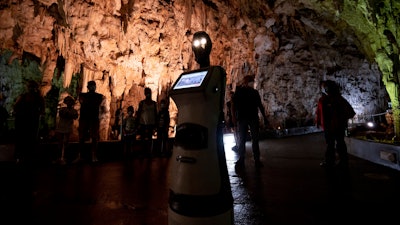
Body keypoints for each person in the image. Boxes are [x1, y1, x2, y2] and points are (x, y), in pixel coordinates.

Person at [315, 80, 355, 170]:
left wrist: (340, 119)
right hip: (332, 126)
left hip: (335, 126)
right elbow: (319, 112)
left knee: (336, 144)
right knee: (333, 144)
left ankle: (338, 161)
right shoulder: (325, 100)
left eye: (324, 87)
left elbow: (350, 112)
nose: (323, 89)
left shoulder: (335, 99)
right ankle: (335, 161)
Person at [232, 75, 268, 169]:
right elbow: (234, 105)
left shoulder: (254, 92)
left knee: (253, 139)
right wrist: (234, 119)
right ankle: (243, 159)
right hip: (245, 118)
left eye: (252, 81)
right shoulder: (239, 92)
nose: (252, 83)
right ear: (246, 82)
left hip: (251, 118)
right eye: (251, 81)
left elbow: (260, 105)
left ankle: (255, 159)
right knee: (243, 139)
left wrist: (265, 118)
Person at [13, 80, 45, 164]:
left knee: (29, 138)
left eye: (31, 87)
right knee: (24, 138)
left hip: (30, 120)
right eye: (30, 87)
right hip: (24, 120)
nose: (30, 89)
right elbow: (16, 107)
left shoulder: (37, 98)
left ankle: (26, 156)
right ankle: (23, 156)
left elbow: (42, 109)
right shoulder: (24, 97)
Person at [74, 80, 105, 163]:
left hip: (93, 118)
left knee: (94, 137)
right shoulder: (83, 95)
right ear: (88, 87)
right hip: (85, 118)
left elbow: (87, 103)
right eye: (91, 86)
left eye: (93, 86)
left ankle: (93, 155)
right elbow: (83, 102)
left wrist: (87, 103)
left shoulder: (99, 96)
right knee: (82, 137)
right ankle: (80, 155)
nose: (92, 87)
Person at [54, 95, 78, 165]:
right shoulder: (63, 109)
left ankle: (65, 157)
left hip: (67, 128)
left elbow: (75, 117)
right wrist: (70, 115)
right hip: (61, 127)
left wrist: (69, 115)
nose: (69, 103)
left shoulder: (73, 110)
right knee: (60, 142)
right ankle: (59, 157)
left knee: (66, 142)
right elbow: (64, 115)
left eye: (70, 102)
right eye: (68, 101)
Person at [135, 87, 157, 157]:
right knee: (143, 139)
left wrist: (155, 125)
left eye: (149, 93)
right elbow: (138, 113)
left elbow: (155, 114)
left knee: (150, 139)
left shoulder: (154, 103)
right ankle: (143, 152)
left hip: (151, 123)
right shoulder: (142, 103)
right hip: (143, 123)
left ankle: (149, 152)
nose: (148, 94)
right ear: (145, 94)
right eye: (147, 93)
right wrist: (138, 123)